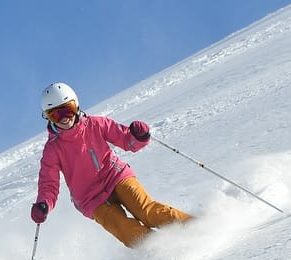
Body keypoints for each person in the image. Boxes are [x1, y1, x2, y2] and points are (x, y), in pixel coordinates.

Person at [30, 82, 193, 247]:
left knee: (147, 212)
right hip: (90, 198)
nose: (64, 118)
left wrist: (138, 137)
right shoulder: (52, 149)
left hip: (116, 176)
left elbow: (126, 141)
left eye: (67, 109)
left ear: (76, 104)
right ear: (48, 117)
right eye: (55, 115)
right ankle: (159, 251)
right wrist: (44, 204)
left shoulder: (96, 125)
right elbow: (48, 184)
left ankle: (194, 227)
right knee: (125, 229)